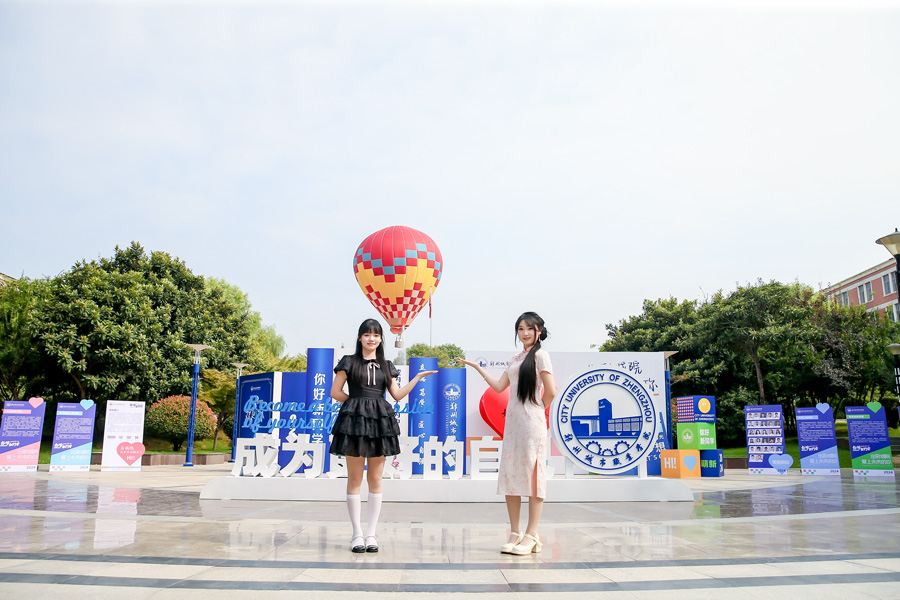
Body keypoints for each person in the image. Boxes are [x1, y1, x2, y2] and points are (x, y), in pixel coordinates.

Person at [330, 318, 436, 554]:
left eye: (376, 335)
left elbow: (396, 394)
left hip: (379, 423)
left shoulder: (386, 365)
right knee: (354, 479)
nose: (371, 338)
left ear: (381, 339)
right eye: (367, 334)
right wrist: (356, 406)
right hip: (354, 424)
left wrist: (417, 378)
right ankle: (357, 534)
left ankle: (371, 534)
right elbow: (335, 392)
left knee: (375, 479)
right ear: (360, 337)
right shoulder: (348, 362)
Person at [457, 311, 556, 556]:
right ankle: (515, 532)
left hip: (532, 425)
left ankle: (532, 534)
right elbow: (500, 387)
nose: (525, 333)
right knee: (511, 475)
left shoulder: (541, 356)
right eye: (521, 329)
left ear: (539, 331)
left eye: (530, 328)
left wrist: (537, 410)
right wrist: (478, 368)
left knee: (533, 478)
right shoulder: (516, 357)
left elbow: (551, 391)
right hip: (512, 426)